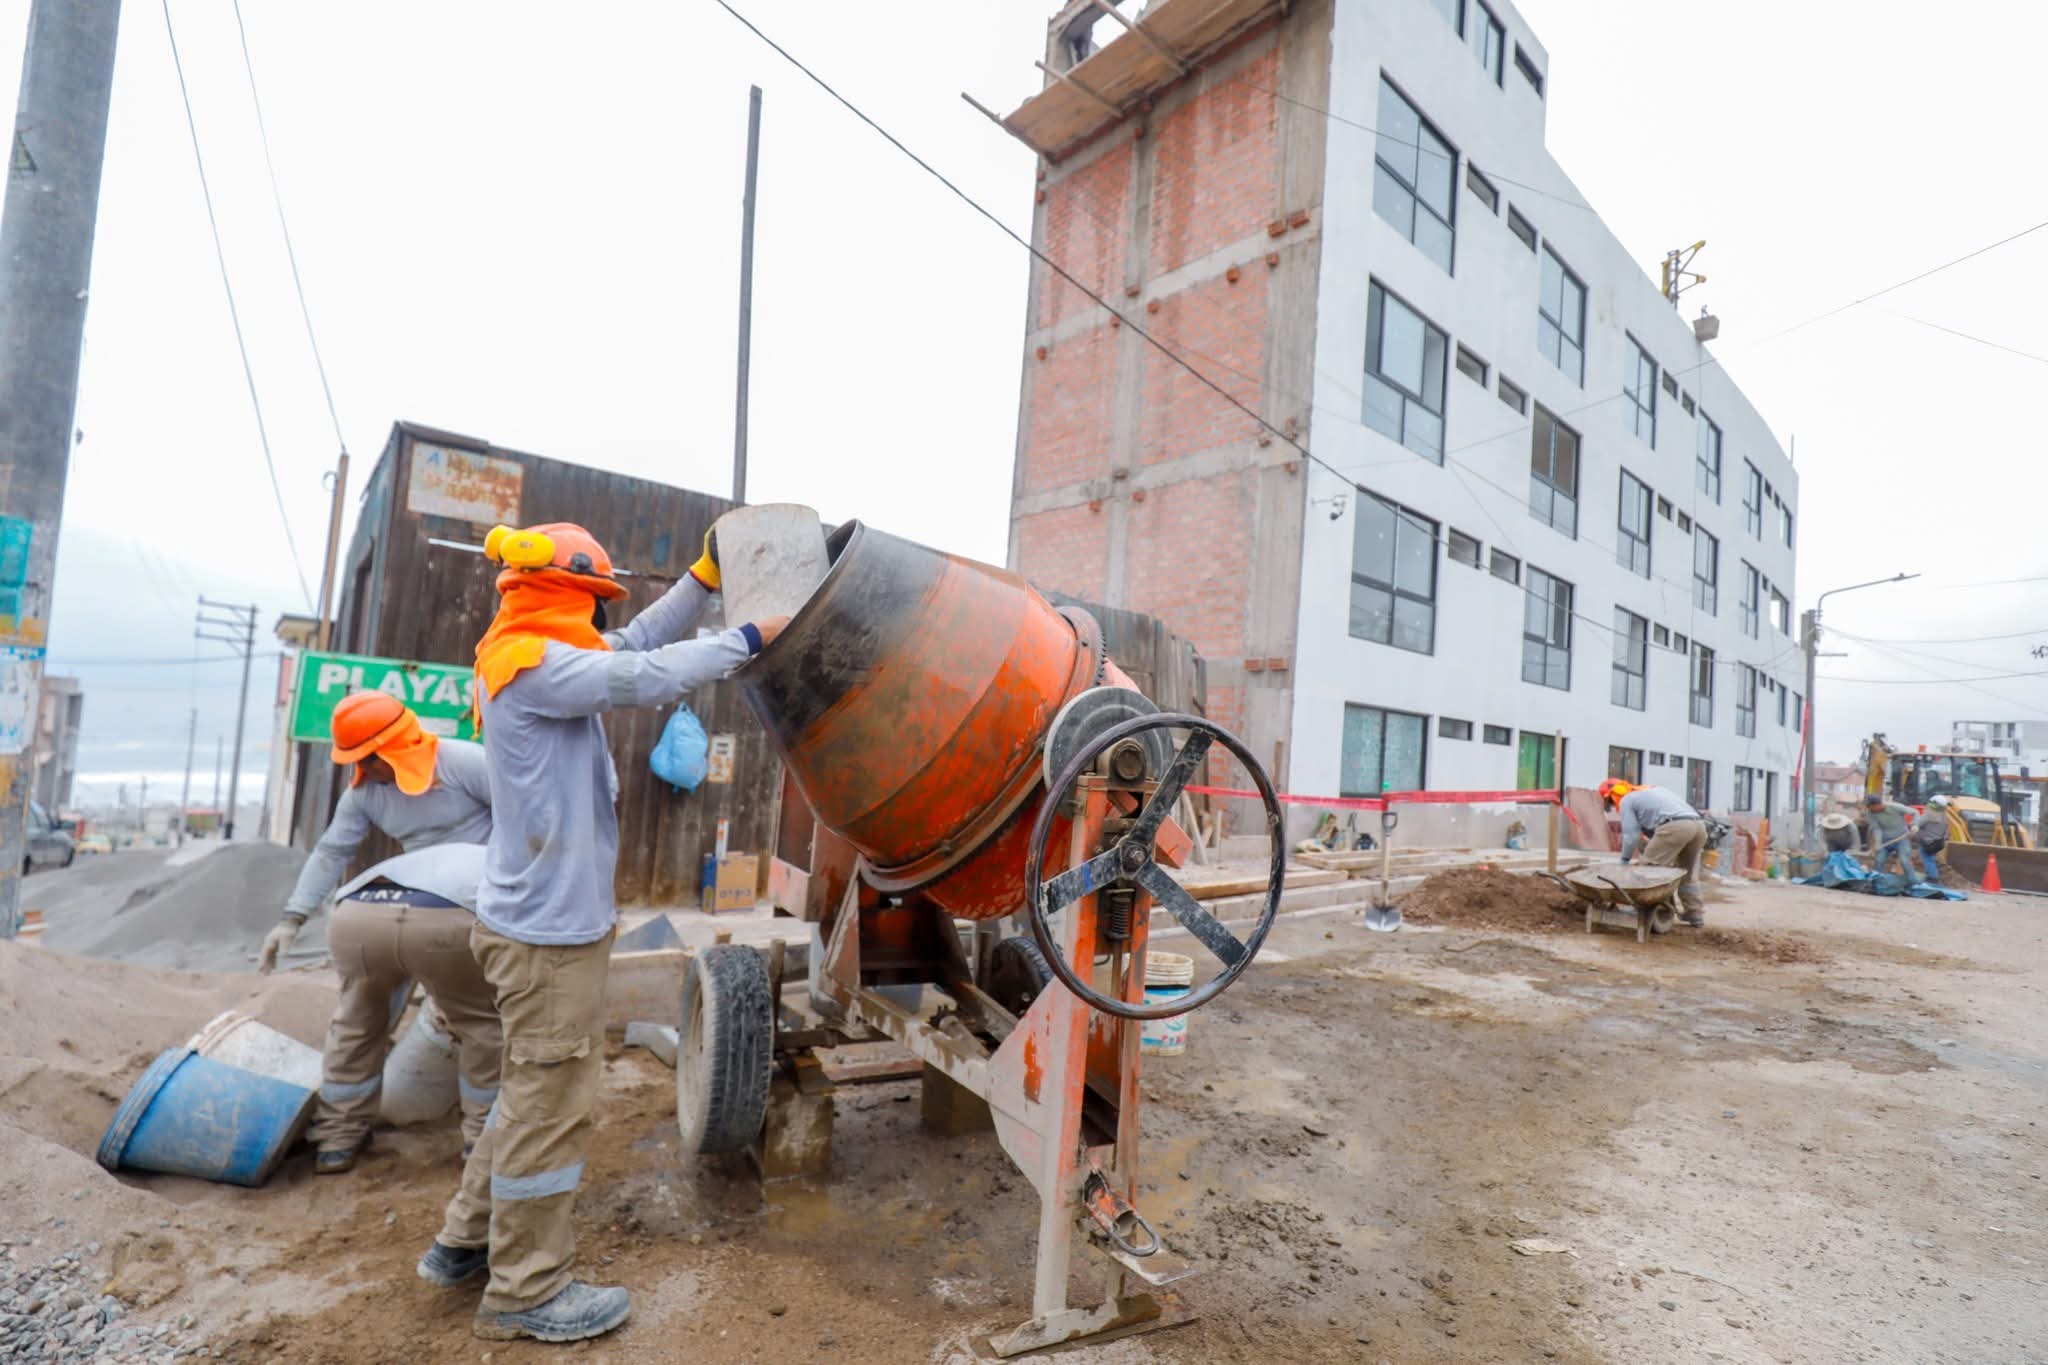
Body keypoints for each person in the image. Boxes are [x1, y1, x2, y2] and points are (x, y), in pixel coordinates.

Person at [415, 521, 787, 1345]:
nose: (598, 615)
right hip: (548, 940)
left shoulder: (523, 650)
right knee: (550, 1109)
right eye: (590, 601)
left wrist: (701, 575)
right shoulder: (538, 666)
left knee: (526, 1094)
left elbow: (638, 640)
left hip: (532, 925)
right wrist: (753, 636)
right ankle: (526, 1289)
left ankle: (462, 1241)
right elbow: (645, 672)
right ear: (562, 595)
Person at [260, 692, 497, 1173]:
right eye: (357, 760)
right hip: (443, 913)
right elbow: (331, 853)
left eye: (372, 758)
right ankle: (342, 1137)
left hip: (389, 902)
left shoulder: (464, 763)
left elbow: (531, 814)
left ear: (398, 744)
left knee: (365, 1020)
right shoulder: (364, 792)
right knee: (479, 1025)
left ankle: (469, 1144)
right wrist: (292, 917)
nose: (367, 768)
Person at [309, 843, 502, 1176]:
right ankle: (483, 1143)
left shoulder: (448, 855)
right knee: (481, 1025)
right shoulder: (514, 868)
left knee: (358, 1022)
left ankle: (336, 1140)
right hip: (444, 918)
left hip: (357, 911)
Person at [1601, 778, 1709, 927]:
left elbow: (1630, 836)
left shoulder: (1627, 799)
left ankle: (1645, 911)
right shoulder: (1652, 790)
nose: (1613, 806)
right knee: (1687, 874)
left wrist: (1624, 860)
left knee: (1648, 870)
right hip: (1699, 827)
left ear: (1612, 796)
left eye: (1611, 803)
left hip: (1675, 826)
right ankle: (1694, 913)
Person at [1862, 792, 1915, 876]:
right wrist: (1878, 843)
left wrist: (1914, 825)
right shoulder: (1871, 814)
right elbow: (1877, 829)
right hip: (1885, 841)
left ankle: (1913, 881)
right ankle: (1878, 882)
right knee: (1879, 861)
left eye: (1869, 806)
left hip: (1901, 839)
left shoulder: (1895, 807)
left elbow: (1914, 812)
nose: (1868, 809)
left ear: (1877, 804)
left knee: (1904, 860)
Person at [1910, 795, 1951, 883]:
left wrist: (1913, 826)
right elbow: (1947, 833)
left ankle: (1933, 878)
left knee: (1928, 860)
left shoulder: (1929, 815)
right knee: (1930, 859)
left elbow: (1917, 823)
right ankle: (1930, 875)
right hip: (1938, 843)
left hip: (1927, 842)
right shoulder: (1945, 817)